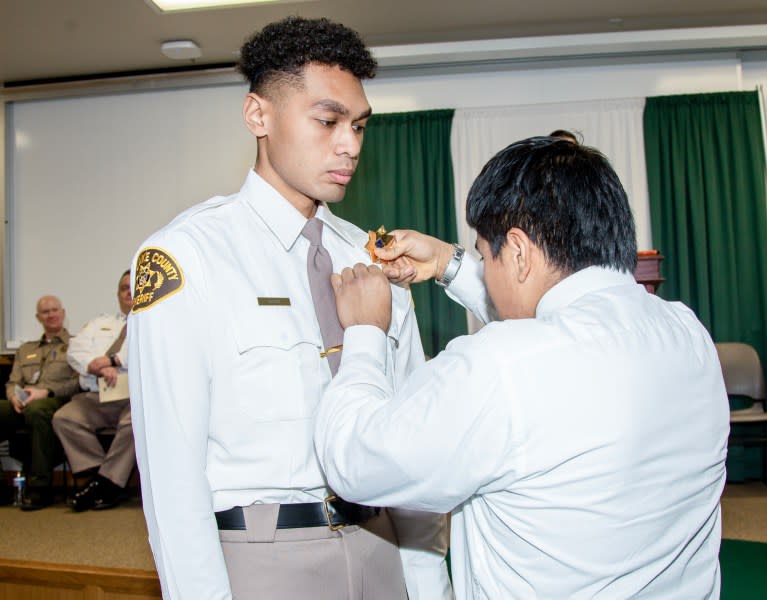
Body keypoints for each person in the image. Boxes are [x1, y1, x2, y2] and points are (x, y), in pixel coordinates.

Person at [314, 136, 730, 598]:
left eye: (485, 254)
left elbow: (355, 463)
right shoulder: (688, 333)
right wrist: (450, 264)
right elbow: (556, 329)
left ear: (516, 251)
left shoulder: (500, 365)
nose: (486, 269)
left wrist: (366, 332)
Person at [128, 16, 451, 600]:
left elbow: (409, 441)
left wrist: (431, 587)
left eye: (358, 125)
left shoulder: (375, 256)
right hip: (264, 559)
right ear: (259, 115)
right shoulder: (188, 256)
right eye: (328, 121)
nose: (350, 143)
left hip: (383, 548)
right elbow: (172, 477)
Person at [0, 295, 79, 511]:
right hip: (23, 404)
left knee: (37, 409)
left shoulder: (77, 344)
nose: (51, 314)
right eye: (45, 312)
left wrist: (46, 391)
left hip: (56, 401)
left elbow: (78, 383)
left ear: (63, 313)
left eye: (55, 310)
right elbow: (13, 381)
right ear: (38, 317)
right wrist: (13, 396)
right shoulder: (26, 349)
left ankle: (40, 486)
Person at [53, 271, 134, 511]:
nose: (129, 291)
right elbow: (74, 351)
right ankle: (100, 479)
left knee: (137, 423)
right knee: (64, 418)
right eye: (124, 288)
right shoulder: (100, 323)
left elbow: (149, 354)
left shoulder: (153, 323)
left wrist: (115, 361)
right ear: (117, 294)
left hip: (132, 399)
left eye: (134, 286)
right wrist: (93, 365)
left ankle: (107, 484)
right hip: (96, 396)